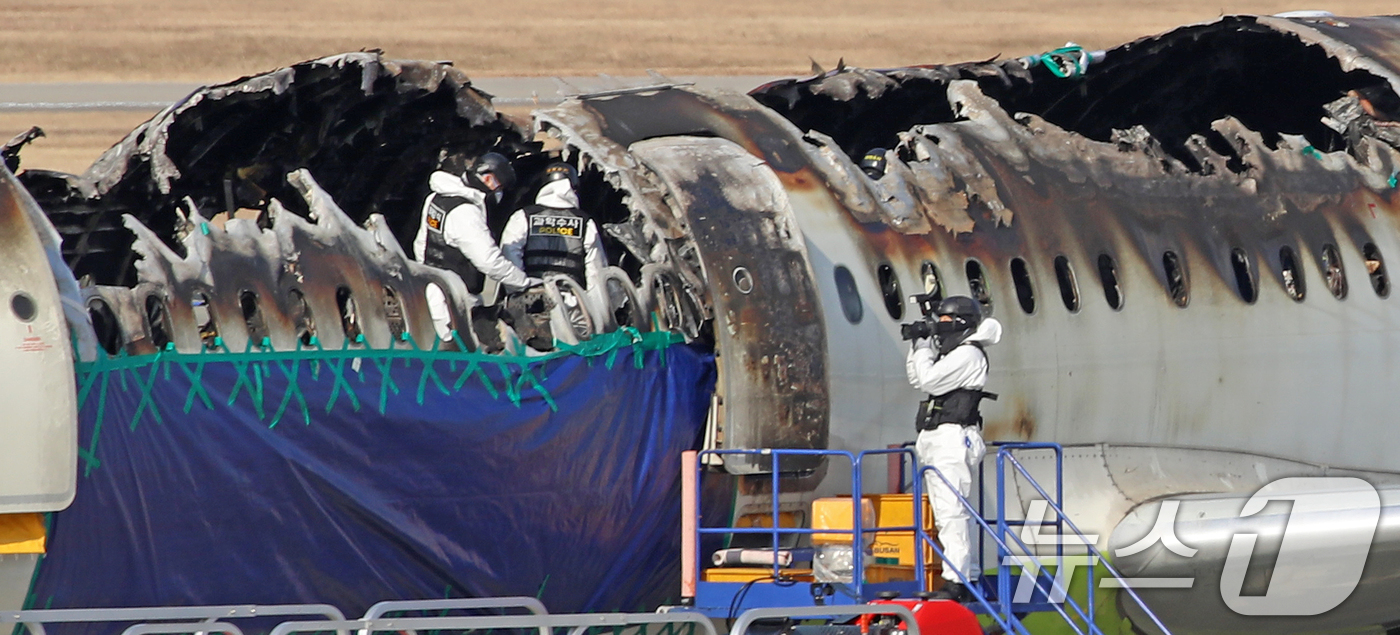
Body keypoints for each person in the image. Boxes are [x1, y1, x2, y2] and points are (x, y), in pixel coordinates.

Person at [906, 296, 1002, 602]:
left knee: (952, 511)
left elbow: (929, 380)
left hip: (953, 438)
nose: (940, 328)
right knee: (948, 510)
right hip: (938, 438)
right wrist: (918, 346)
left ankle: (957, 580)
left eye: (945, 322)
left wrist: (923, 347)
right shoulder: (956, 354)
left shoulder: (969, 354)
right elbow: (916, 376)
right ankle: (967, 573)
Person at [412, 151, 540, 343]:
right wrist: (523, 283)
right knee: (458, 361)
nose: (499, 193)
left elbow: (421, 243)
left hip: (432, 291)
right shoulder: (465, 213)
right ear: (488, 179)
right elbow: (489, 261)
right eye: (499, 187)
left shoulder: (436, 198)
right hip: (454, 303)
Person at [500, 162, 607, 349]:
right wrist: (597, 313)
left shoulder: (523, 216)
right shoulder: (585, 221)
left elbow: (509, 253)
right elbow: (596, 269)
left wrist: (518, 290)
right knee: (570, 358)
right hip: (572, 304)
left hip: (531, 303)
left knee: (530, 356)